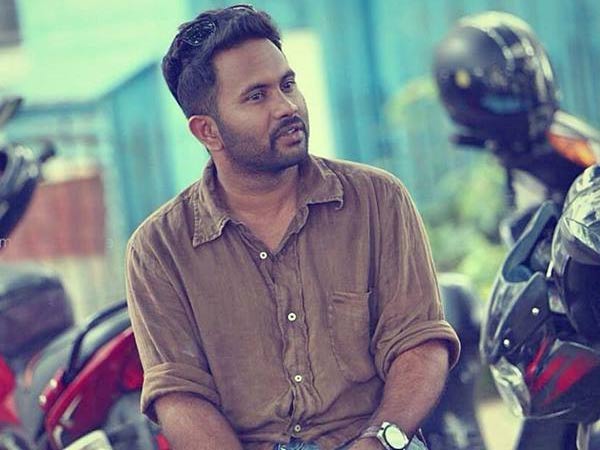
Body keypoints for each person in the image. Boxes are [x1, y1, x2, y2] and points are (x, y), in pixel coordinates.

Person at [125, 5, 460, 450]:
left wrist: (379, 440)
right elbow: (180, 397)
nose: (287, 107)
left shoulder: (377, 200)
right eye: (256, 96)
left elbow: (420, 344)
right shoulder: (158, 248)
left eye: (287, 84)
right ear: (207, 131)